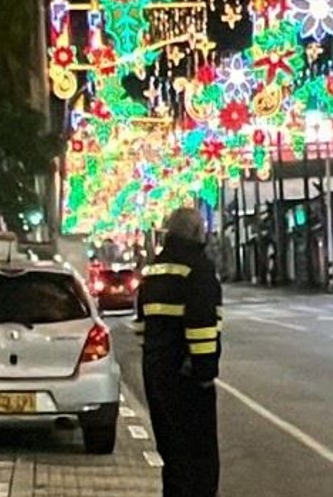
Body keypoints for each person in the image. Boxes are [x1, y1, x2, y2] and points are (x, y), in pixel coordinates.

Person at [134, 207, 222, 497]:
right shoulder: (197, 268)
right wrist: (205, 372)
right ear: (198, 233)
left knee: (172, 456)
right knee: (200, 459)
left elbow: (142, 325)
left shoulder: (155, 268)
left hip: (156, 373)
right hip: (187, 377)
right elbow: (202, 328)